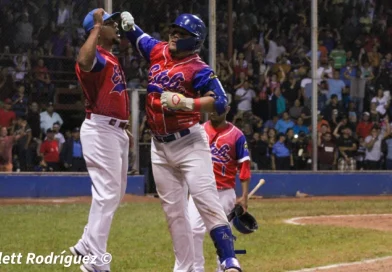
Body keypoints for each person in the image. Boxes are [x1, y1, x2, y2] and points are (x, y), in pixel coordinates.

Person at [121, 12, 242, 272]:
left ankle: (229, 261)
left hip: (189, 143)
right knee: (174, 213)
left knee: (206, 201)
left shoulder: (198, 68)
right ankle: (185, 268)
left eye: (181, 33)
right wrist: (125, 20)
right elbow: (136, 34)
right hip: (159, 146)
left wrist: (188, 103)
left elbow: (221, 101)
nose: (174, 35)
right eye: (174, 30)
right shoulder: (157, 50)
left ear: (194, 40)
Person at [69, 8, 132, 272]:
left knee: (114, 195)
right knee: (107, 195)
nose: (115, 25)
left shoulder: (108, 57)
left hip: (116, 131)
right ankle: (95, 262)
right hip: (101, 128)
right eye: (109, 23)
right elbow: (83, 61)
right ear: (96, 29)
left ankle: (85, 243)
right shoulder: (96, 59)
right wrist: (95, 26)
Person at [184, 106, 251, 272]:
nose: (213, 111)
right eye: (211, 108)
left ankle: (224, 268)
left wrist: (244, 196)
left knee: (224, 235)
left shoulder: (237, 135)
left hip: (225, 192)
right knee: (193, 230)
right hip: (199, 190)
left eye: (218, 108)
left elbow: (244, 166)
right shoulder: (199, 131)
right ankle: (196, 268)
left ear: (227, 109)